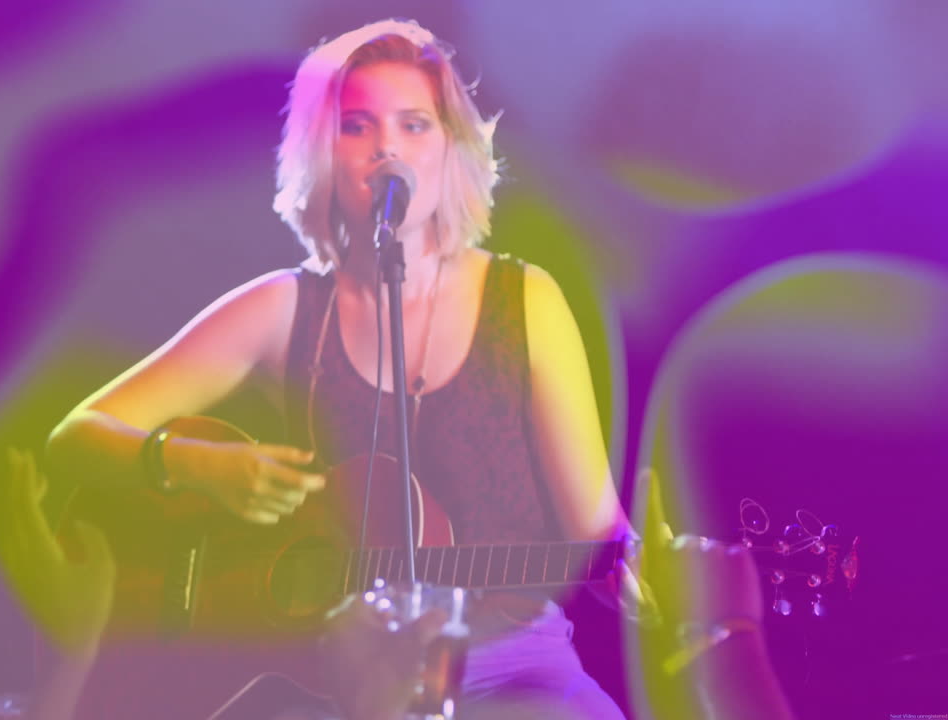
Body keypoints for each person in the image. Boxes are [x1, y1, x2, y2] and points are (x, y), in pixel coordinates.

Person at [47, 18, 633, 718]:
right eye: (357, 126)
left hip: (512, 669)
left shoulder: (526, 302)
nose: (387, 147)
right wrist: (203, 466)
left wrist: (639, 566)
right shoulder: (284, 307)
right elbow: (75, 438)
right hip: (333, 678)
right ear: (322, 154)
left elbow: (599, 529)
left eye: (414, 124)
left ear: (451, 149)